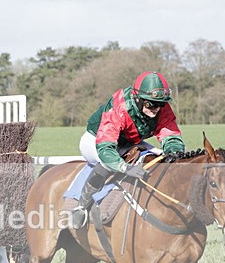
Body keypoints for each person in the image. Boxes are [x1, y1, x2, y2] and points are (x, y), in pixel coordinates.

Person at [70, 71, 185, 229]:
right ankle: (81, 207)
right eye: (150, 104)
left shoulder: (160, 107)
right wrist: (125, 168)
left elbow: (170, 134)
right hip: (96, 140)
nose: (156, 109)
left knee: (159, 156)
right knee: (107, 164)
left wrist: (174, 151)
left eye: (160, 104)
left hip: (130, 142)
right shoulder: (119, 106)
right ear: (138, 98)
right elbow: (105, 148)